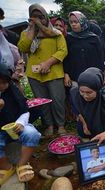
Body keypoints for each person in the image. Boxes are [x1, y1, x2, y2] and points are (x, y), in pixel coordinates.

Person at [17, 3, 68, 136]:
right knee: (42, 101)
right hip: (35, 75)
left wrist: (48, 63)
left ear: (46, 17)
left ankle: (60, 125)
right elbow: (23, 48)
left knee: (57, 100)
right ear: (30, 18)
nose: (38, 19)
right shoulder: (25, 33)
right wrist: (33, 29)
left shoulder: (56, 33)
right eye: (34, 17)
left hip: (54, 73)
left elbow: (63, 51)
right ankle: (49, 125)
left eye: (41, 17)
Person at [0, 64, 41, 185]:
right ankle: (7, 168)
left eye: (4, 82)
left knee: (32, 134)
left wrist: (20, 123)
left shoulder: (12, 91)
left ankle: (21, 164)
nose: (1, 86)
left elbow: (24, 109)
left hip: (15, 127)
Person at [63, 11, 103, 88]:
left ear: (82, 21)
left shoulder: (94, 38)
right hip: (74, 77)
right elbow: (66, 58)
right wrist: (66, 74)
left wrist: (100, 75)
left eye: (76, 22)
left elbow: (100, 58)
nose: (73, 24)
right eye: (71, 22)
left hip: (92, 76)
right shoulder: (69, 38)